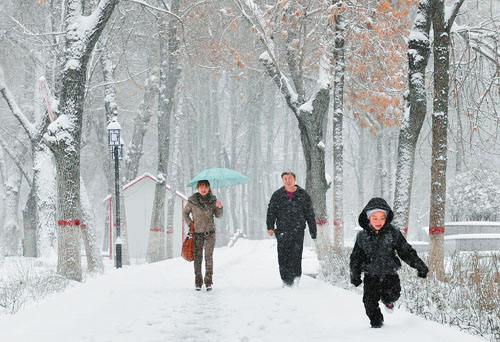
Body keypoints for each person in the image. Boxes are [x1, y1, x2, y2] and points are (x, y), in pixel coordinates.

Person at [350, 197, 428, 328]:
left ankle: (388, 301)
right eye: (375, 218)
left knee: (391, 295)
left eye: (382, 218)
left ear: (386, 218)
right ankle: (377, 324)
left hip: (390, 274)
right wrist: (355, 275)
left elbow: (406, 251)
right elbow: (356, 258)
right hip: (371, 275)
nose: (378, 221)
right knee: (369, 303)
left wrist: (420, 266)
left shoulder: (393, 233)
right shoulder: (362, 237)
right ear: (368, 218)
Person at [266, 171, 317, 287]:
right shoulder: (277, 195)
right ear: (282, 180)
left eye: (289, 178)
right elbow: (271, 212)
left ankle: (296, 278)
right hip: (282, 231)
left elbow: (310, 213)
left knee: (296, 255)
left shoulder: (303, 195)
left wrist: (313, 231)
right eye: (285, 179)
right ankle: (285, 280)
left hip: (298, 230)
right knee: (283, 256)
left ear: (294, 180)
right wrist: (270, 227)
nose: (287, 181)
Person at [182, 180, 223, 291]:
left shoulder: (213, 200)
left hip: (210, 234)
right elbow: (185, 213)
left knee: (208, 257)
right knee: (198, 258)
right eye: (201, 187)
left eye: (205, 187)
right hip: (197, 234)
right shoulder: (192, 201)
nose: (203, 189)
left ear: (209, 188)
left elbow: (219, 215)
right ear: (198, 188)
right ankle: (198, 282)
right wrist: (191, 223)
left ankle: (208, 281)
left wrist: (219, 207)